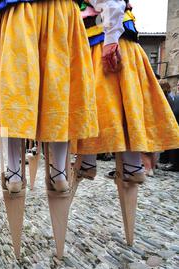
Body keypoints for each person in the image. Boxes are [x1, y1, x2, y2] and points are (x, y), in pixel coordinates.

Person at [0, 0, 114, 194]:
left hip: (19, 13)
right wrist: (112, 35)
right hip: (61, 12)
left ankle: (14, 173)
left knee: (15, 92)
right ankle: (59, 173)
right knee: (60, 92)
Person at [74, 1, 179, 183]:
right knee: (125, 104)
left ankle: (89, 161)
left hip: (105, 43)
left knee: (101, 100)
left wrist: (110, 42)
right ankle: (129, 165)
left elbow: (111, 4)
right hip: (112, 40)